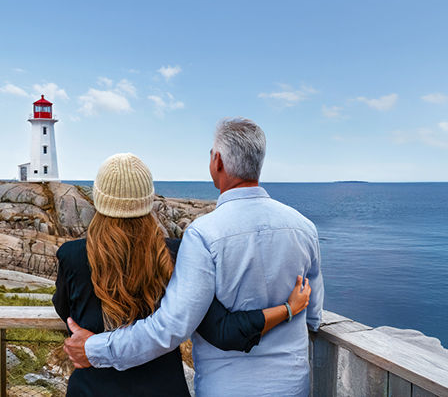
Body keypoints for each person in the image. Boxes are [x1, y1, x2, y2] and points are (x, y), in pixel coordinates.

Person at [64, 118, 324, 397]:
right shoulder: (304, 227)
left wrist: (96, 348)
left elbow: (173, 327)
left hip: (226, 387)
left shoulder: (204, 234)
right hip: (291, 385)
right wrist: (288, 309)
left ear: (218, 163)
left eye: (211, 153)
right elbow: (314, 316)